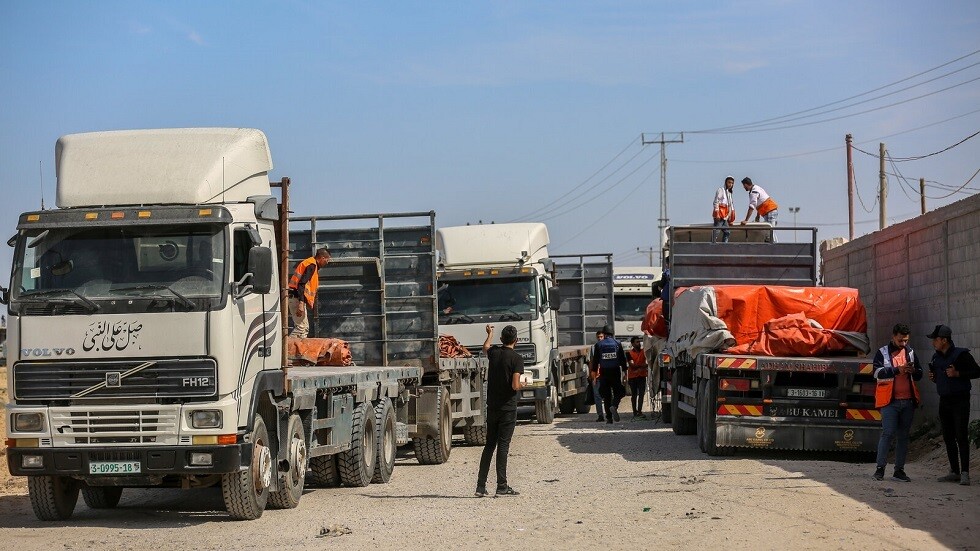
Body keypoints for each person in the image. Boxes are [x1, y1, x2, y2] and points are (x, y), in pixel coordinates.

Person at [927, 324, 980, 486]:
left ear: (944, 340)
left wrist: (958, 374)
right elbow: (939, 377)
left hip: (960, 400)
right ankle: (954, 471)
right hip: (945, 400)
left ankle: (965, 473)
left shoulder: (961, 355)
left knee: (960, 435)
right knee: (948, 436)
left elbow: (977, 371)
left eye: (935, 339)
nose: (933, 343)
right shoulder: (936, 357)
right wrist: (934, 377)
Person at [476, 324, 525, 497]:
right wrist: (523, 384)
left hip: (493, 407)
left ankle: (480, 486)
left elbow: (485, 348)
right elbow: (514, 385)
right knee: (503, 446)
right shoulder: (517, 359)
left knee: (489, 445)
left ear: (502, 339)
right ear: (516, 341)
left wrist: (490, 334)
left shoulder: (494, 353)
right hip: (508, 408)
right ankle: (502, 485)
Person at [871, 323, 922, 483]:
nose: (903, 344)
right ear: (893, 336)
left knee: (903, 437)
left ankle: (899, 470)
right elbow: (876, 373)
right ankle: (880, 469)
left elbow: (919, 374)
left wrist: (913, 371)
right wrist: (896, 370)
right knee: (887, 434)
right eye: (901, 340)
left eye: (906, 340)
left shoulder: (911, 353)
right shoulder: (882, 353)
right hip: (889, 402)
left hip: (907, 401)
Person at [287, 248, 331, 339]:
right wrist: (301, 303)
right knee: (301, 329)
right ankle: (286, 350)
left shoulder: (311, 264)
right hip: (296, 298)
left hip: (296, 298)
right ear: (322, 258)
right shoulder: (311, 265)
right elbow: (301, 284)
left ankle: (292, 351)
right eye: (327, 260)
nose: (327, 262)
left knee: (304, 328)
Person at [591, 325, 628, 424]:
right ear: (612, 333)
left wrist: (594, 375)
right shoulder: (617, 343)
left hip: (604, 372)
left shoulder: (599, 345)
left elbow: (595, 361)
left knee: (606, 396)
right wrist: (625, 372)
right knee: (619, 392)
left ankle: (609, 418)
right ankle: (614, 405)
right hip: (615, 372)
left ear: (604, 333)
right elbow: (622, 359)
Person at [739, 177, 779, 242]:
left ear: (746, 184)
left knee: (770, 231)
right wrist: (758, 215)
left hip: (770, 210)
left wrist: (746, 220)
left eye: (743, 186)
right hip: (768, 211)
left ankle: (775, 245)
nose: (743, 187)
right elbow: (760, 201)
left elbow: (752, 206)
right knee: (768, 230)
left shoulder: (754, 192)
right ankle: (772, 243)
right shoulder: (756, 187)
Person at [626, 336, 648, 419]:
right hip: (633, 377)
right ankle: (635, 412)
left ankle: (639, 411)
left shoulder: (644, 351)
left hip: (641, 376)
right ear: (632, 344)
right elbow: (632, 365)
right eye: (637, 342)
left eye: (639, 342)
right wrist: (643, 365)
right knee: (634, 395)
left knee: (641, 394)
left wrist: (641, 366)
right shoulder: (629, 353)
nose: (639, 343)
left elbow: (646, 363)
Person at [712, 175, 736, 243]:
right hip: (719, 215)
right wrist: (717, 214)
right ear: (726, 182)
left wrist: (729, 216)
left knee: (727, 232)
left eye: (732, 183)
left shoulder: (729, 193)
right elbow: (716, 201)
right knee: (717, 231)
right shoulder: (721, 190)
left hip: (725, 216)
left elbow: (730, 205)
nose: (730, 184)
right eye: (729, 182)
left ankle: (724, 246)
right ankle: (711, 245)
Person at [589, 330, 606, 422]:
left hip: (605, 374)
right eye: (598, 337)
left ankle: (609, 414)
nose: (600, 339)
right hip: (596, 375)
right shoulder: (593, 348)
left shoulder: (607, 346)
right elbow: (591, 361)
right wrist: (591, 374)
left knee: (607, 395)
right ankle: (600, 415)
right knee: (597, 396)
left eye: (601, 337)